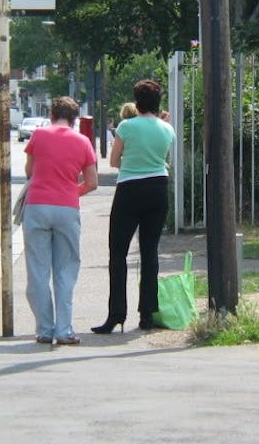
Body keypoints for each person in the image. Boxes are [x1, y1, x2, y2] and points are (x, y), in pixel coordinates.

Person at [92, 79, 176, 333]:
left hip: (130, 189)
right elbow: (162, 155)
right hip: (159, 187)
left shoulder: (126, 126)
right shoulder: (167, 128)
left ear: (136, 101)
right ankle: (147, 313)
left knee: (118, 253)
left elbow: (115, 160)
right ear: (158, 102)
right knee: (150, 252)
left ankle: (117, 313)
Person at [23, 96, 98, 345]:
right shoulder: (83, 141)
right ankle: (63, 330)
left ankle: (44, 329)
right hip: (66, 208)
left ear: (52, 114)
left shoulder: (38, 135)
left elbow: (29, 171)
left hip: (37, 206)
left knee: (38, 270)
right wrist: (68, 191)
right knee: (65, 270)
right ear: (75, 118)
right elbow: (92, 183)